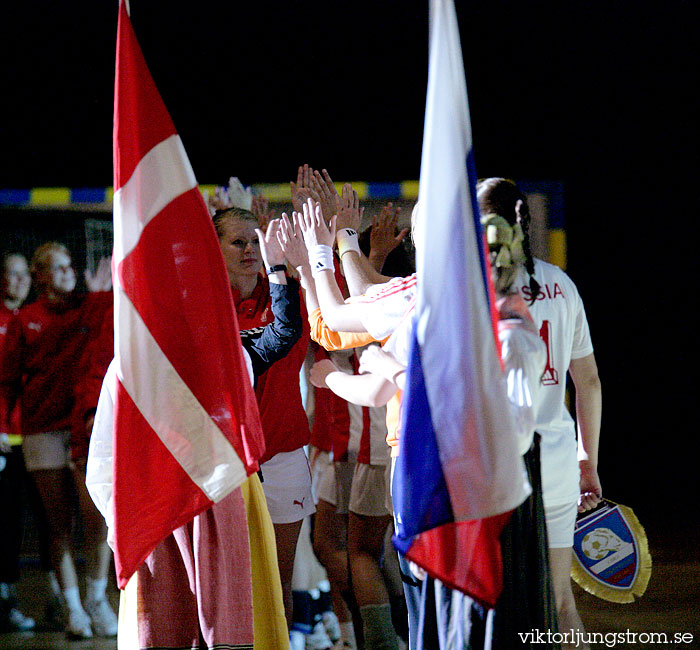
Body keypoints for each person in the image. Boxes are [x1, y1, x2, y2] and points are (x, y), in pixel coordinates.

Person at [477, 178, 602, 650]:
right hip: (554, 459)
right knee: (560, 602)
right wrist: (587, 458)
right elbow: (587, 382)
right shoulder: (561, 285)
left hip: (495, 466)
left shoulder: (474, 289)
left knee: (496, 606)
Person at [0, 243, 116, 639]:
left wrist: (102, 295)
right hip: (42, 432)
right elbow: (8, 380)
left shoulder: (90, 307)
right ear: (42, 275)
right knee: (57, 526)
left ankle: (97, 598)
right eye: (59, 268)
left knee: (97, 519)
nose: (69, 273)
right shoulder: (26, 319)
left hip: (85, 429)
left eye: (71, 266)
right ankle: (73, 609)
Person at [213, 207, 314, 635]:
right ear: (213, 247)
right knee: (226, 583)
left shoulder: (289, 291)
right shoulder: (202, 305)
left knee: (277, 582)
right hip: (224, 462)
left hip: (283, 454)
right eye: (238, 242)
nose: (250, 250)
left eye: (255, 241)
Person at [0, 252, 37, 632]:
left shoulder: (28, 319)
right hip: (4, 444)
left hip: (33, 436)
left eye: (24, 274)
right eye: (12, 274)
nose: (20, 280)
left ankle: (63, 600)